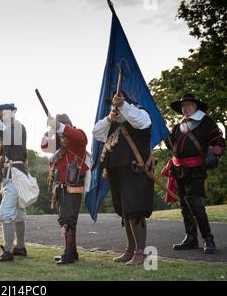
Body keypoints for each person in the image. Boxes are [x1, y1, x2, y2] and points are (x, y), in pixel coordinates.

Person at [92, 92, 154, 265]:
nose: (115, 107)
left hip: (134, 171)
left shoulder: (139, 113)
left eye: (117, 102)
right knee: (126, 213)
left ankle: (140, 253)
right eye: (113, 104)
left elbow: (141, 122)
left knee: (135, 211)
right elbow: (96, 132)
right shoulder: (113, 123)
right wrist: (109, 118)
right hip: (116, 172)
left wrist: (123, 105)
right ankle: (130, 250)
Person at [164, 93, 225, 254]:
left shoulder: (206, 122)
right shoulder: (178, 126)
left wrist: (214, 154)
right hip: (178, 170)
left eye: (189, 104)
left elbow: (219, 141)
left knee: (197, 206)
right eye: (183, 105)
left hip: (196, 170)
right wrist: (165, 136)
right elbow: (172, 146)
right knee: (184, 206)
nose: (186, 107)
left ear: (196, 106)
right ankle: (191, 238)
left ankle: (208, 239)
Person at [0, 103, 28, 262]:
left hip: (15, 175)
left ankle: (8, 251)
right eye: (0, 113)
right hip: (11, 175)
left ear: (12, 113)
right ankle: (20, 247)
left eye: (4, 112)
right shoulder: (5, 128)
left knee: (6, 212)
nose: (2, 114)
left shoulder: (17, 127)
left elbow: (7, 133)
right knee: (18, 212)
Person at [41, 114, 88, 264]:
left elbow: (79, 138)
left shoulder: (77, 136)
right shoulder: (59, 142)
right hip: (60, 186)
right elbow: (44, 146)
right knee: (66, 220)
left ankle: (69, 255)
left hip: (72, 185)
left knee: (68, 219)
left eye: (60, 127)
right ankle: (72, 252)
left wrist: (60, 127)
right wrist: (50, 129)